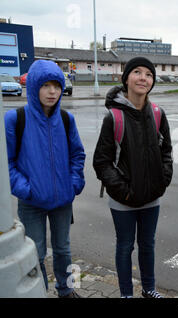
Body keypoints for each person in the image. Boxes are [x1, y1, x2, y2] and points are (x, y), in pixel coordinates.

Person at [4, 60, 86, 298]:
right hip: (32, 203)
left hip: (63, 200)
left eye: (57, 86)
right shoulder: (15, 118)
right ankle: (39, 291)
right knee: (35, 252)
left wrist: (73, 184)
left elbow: (77, 154)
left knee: (63, 250)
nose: (52, 92)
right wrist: (26, 190)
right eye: (46, 86)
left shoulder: (66, 119)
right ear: (33, 87)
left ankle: (67, 290)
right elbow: (6, 163)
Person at [93, 57, 173, 298]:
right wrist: (123, 191)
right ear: (126, 78)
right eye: (136, 72)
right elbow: (102, 162)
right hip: (123, 200)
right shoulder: (113, 118)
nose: (143, 78)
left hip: (152, 197)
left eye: (148, 74)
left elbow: (166, 152)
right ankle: (126, 293)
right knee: (125, 246)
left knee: (148, 245)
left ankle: (149, 289)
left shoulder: (158, 114)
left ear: (152, 82)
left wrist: (162, 181)